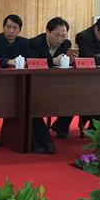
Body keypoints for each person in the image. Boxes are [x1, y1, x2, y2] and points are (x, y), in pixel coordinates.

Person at [27, 17, 79, 152]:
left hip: (58, 83)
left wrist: (71, 61)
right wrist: (53, 61)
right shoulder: (34, 43)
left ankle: (61, 125)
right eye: (57, 35)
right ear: (47, 32)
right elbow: (32, 62)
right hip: (37, 84)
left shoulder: (66, 44)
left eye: (63, 36)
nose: (60, 39)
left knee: (74, 96)